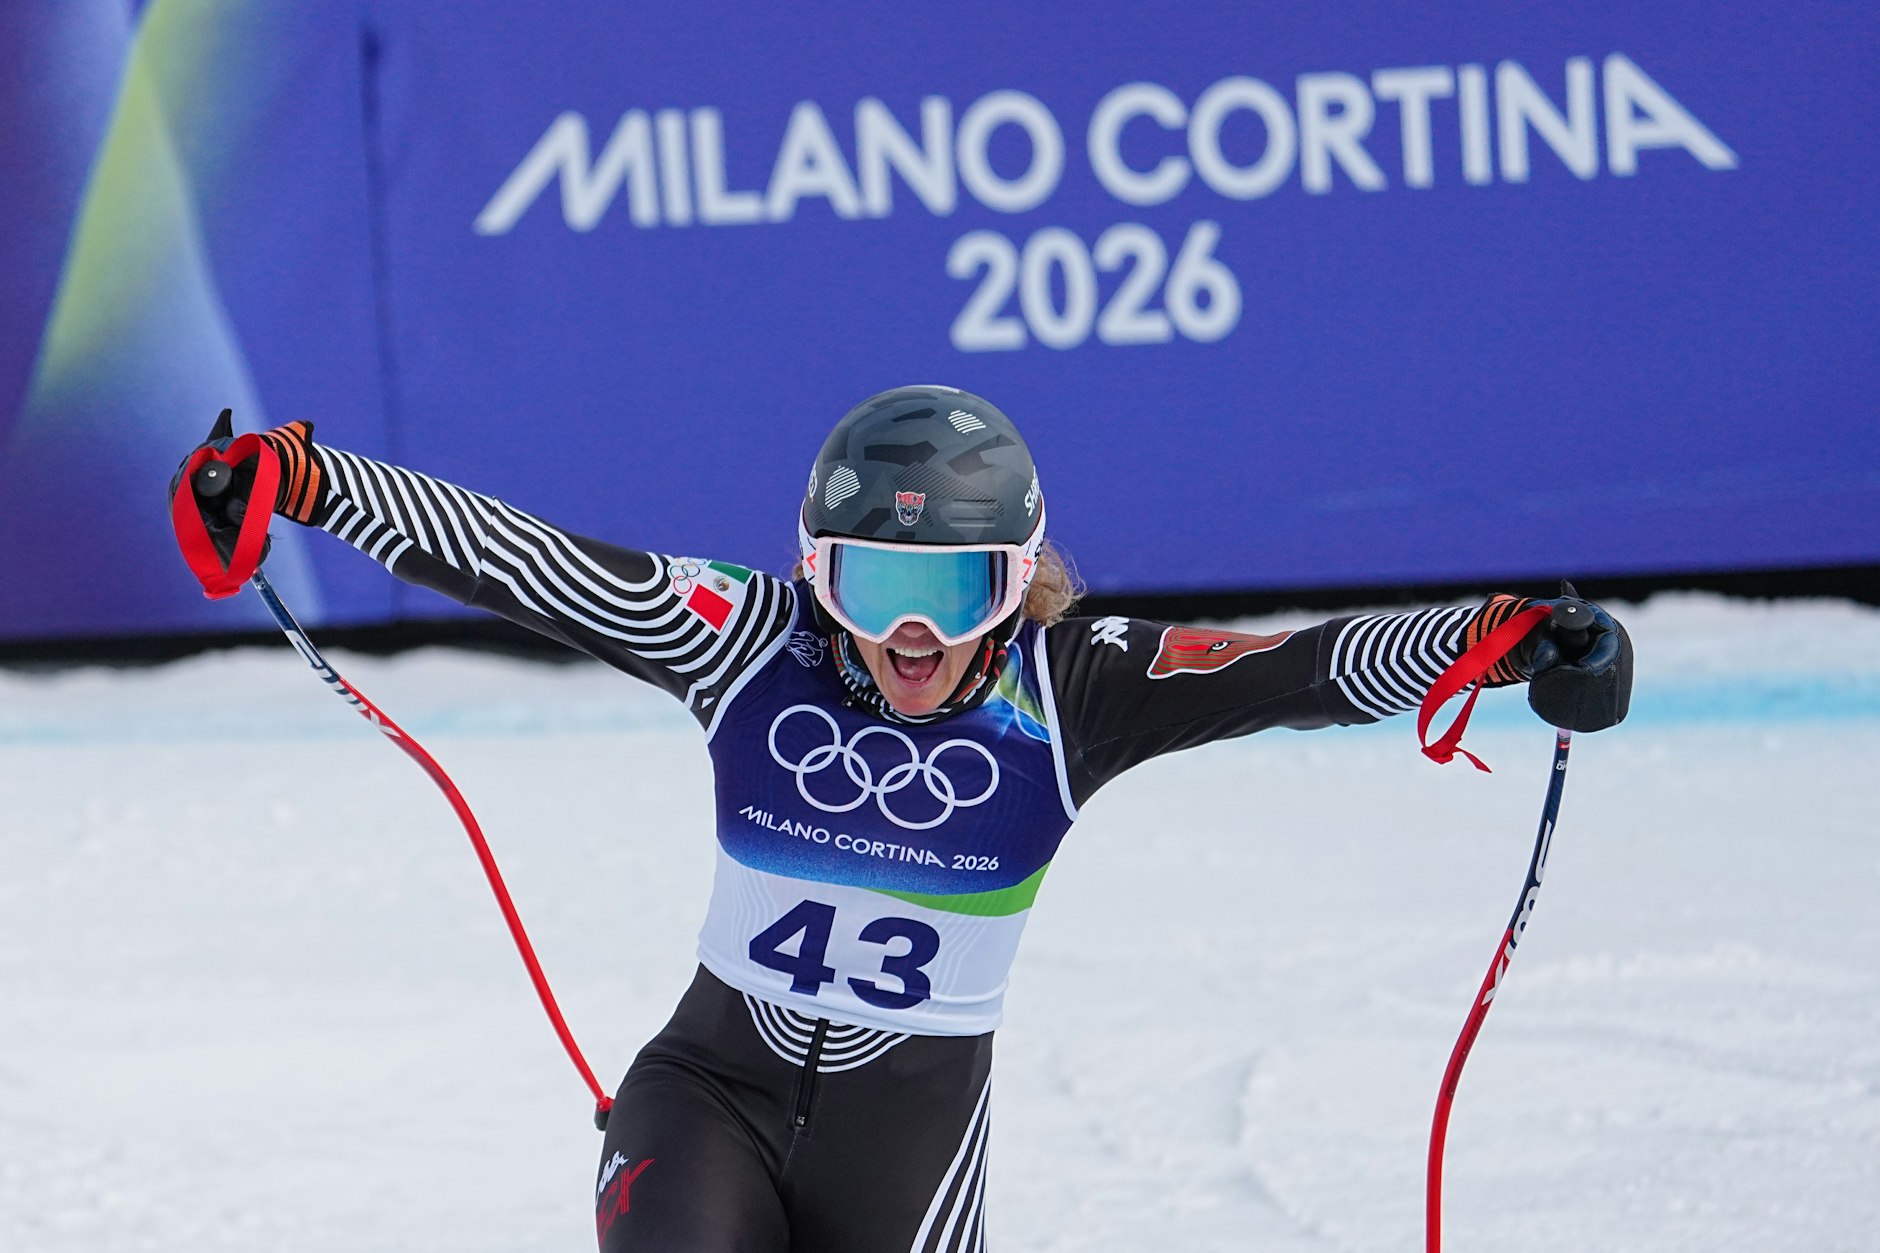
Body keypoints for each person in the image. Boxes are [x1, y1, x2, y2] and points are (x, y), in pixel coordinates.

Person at [175, 385, 1631, 1252]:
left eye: (956, 590)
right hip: (708, 1097)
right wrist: (303, 480)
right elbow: (531, 561)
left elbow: (1300, 668)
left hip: (909, 1158)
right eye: (873, 587)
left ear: (1021, 579)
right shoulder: (746, 642)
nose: (912, 635)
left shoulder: (1073, 691)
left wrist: (1505, 641)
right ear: (817, 574)